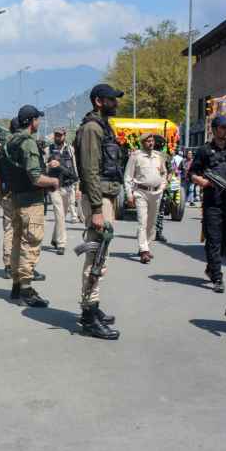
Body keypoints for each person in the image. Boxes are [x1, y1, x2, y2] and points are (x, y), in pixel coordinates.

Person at [74, 84, 123, 340]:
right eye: (112, 99)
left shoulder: (102, 126)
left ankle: (91, 307)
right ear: (98, 101)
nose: (116, 102)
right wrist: (96, 209)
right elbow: (91, 170)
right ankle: (89, 316)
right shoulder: (92, 129)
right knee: (96, 257)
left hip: (105, 196)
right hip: (98, 199)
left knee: (100, 257)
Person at [4, 105, 59, 308]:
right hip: (30, 202)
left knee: (18, 243)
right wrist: (53, 182)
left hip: (16, 198)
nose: (39, 123)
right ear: (32, 121)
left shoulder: (10, 141)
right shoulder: (27, 143)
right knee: (31, 243)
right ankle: (26, 289)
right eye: (38, 119)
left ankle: (17, 286)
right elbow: (35, 177)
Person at [189, 116, 226, 293]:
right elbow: (192, 174)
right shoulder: (204, 151)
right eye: (223, 127)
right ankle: (217, 277)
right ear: (214, 130)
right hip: (212, 202)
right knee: (213, 239)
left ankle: (210, 267)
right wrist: (206, 183)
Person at [124, 132, 167, 264]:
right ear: (143, 143)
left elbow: (164, 172)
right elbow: (128, 177)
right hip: (140, 192)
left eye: (152, 141)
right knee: (142, 221)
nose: (151, 143)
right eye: (148, 141)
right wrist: (129, 194)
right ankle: (144, 250)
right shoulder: (136, 156)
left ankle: (146, 245)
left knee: (151, 223)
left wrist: (163, 186)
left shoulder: (159, 156)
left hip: (156, 193)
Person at [47, 127, 79, 255]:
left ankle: (55, 238)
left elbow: (75, 169)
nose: (58, 137)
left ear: (65, 136)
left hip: (68, 187)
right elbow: (43, 166)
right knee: (59, 215)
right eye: (56, 135)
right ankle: (61, 243)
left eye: (60, 135)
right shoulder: (48, 149)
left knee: (62, 216)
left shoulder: (70, 150)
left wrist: (78, 187)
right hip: (54, 188)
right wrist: (49, 164)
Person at [0, 129, 15, 279]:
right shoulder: (21, 148)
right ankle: (19, 265)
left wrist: (0, 193)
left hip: (6, 194)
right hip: (20, 196)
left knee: (9, 229)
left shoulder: (0, 152)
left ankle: (8, 264)